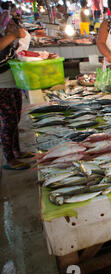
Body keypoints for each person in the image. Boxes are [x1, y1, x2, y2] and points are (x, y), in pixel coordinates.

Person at [0, 18, 32, 170]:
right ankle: (9, 159)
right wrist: (12, 35)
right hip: (2, 86)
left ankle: (17, 151)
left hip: (13, 82)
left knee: (15, 118)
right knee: (9, 121)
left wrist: (13, 33)